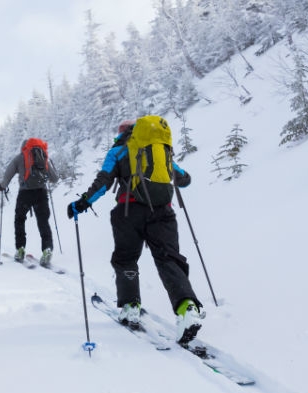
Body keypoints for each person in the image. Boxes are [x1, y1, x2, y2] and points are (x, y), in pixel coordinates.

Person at [66, 117, 204, 344]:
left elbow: (103, 182)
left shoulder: (118, 151)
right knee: (169, 259)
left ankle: (130, 306)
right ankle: (187, 308)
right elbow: (183, 179)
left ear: (121, 132)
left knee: (126, 258)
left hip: (129, 212)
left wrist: (81, 203)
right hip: (163, 213)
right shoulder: (159, 149)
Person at [0, 138, 58, 267]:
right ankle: (47, 249)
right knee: (43, 222)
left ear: (23, 148)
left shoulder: (20, 157)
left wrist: (3, 185)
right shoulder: (43, 155)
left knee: (19, 220)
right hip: (41, 193)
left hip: (25, 194)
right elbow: (54, 178)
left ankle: (20, 249)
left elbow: (9, 173)